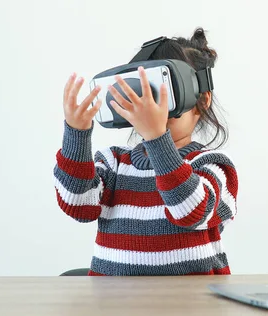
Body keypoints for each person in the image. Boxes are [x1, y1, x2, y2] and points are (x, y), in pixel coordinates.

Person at [53, 27, 239, 276]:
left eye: (164, 97)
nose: (153, 110)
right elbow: (78, 205)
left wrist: (156, 138)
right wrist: (76, 134)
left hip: (192, 305)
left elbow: (192, 212)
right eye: (143, 95)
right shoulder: (113, 163)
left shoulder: (213, 166)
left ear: (202, 101)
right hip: (113, 304)